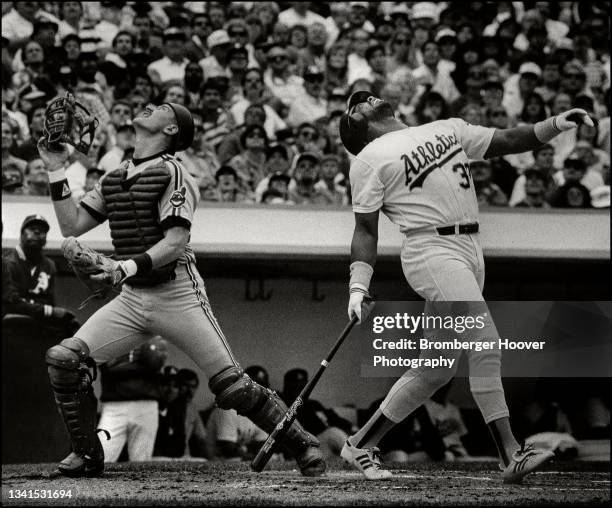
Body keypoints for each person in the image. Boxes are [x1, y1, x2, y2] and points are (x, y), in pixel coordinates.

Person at [38, 101, 325, 478]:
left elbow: (175, 242)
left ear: (171, 129)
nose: (147, 107)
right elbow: (70, 225)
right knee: (64, 359)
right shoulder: (115, 175)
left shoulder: (175, 173)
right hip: (132, 297)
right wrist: (56, 167)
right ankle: (88, 454)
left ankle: (301, 443)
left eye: (159, 107)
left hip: (178, 295)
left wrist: (123, 266)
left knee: (233, 387)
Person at [338, 90, 592, 482]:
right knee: (484, 341)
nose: (369, 98)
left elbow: (508, 140)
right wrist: (359, 284)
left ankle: (358, 444)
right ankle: (511, 454)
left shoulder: (445, 127)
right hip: (430, 249)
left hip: (470, 248)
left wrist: (558, 123)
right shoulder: (369, 158)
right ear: (356, 119)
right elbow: (365, 230)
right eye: (360, 102)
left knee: (435, 370)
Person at [2, 215, 78, 336]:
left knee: (71, 325)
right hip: (11, 325)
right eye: (32, 228)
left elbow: (49, 301)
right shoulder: (7, 262)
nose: (37, 232)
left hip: (39, 324)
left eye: (42, 230)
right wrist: (48, 311)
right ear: (21, 234)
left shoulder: (49, 265)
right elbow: (11, 303)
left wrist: (53, 312)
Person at [98, 336, 169, 462]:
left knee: (141, 461)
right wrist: (141, 362)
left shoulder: (152, 335)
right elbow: (107, 367)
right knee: (101, 458)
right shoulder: (110, 334)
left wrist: (120, 363)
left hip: (146, 405)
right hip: (114, 406)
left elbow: (154, 362)